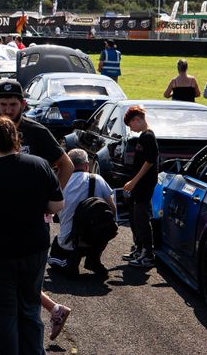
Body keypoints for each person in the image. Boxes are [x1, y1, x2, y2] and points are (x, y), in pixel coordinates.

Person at [0, 80, 73, 355]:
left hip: (16, 241)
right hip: (7, 237)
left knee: (20, 309)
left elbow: (66, 165)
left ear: (23, 104)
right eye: (3, 104)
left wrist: (44, 204)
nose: (9, 110)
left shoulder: (37, 131)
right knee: (15, 308)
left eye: (13, 104)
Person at [48, 149, 117, 277]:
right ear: (86, 165)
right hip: (95, 239)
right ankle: (93, 259)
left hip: (68, 241)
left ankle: (70, 260)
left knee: (53, 256)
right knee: (108, 223)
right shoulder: (97, 179)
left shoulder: (59, 182)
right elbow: (113, 210)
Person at [121, 106, 158, 268]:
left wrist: (134, 181)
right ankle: (139, 248)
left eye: (131, 125)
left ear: (137, 119)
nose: (131, 128)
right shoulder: (143, 136)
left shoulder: (148, 137)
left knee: (141, 218)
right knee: (135, 217)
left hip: (144, 184)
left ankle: (148, 254)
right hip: (139, 184)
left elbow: (150, 161)